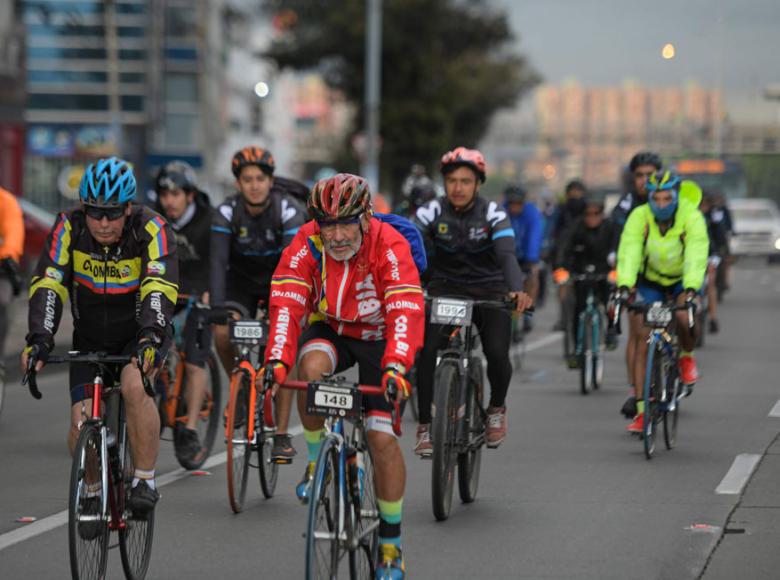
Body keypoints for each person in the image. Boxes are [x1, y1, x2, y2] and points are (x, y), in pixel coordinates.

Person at [262, 173, 424, 578]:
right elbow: (287, 303)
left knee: (381, 437)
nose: (335, 235)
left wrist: (396, 367)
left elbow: (405, 310)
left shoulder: (389, 245)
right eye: (326, 224)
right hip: (332, 328)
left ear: (366, 218)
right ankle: (319, 462)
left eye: (344, 223)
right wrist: (276, 362)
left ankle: (390, 543)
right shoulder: (306, 243)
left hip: (381, 340)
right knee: (309, 369)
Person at [21, 157, 178, 515]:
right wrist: (40, 337)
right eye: (95, 213)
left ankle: (144, 479)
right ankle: (92, 489)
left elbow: (158, 286)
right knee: (80, 421)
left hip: (140, 334)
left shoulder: (151, 227)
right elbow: (49, 281)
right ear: (83, 209)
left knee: (135, 386)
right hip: (90, 339)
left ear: (128, 208)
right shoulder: (68, 227)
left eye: (112, 214)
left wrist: (151, 337)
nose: (103, 224)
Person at [413, 147, 533, 456]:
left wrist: (516, 289)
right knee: (425, 352)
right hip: (444, 291)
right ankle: (425, 426)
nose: (458, 187)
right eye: (452, 180)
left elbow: (507, 255)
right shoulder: (430, 212)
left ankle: (495, 408)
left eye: (466, 181)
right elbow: (409, 247)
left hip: (488, 292)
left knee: (495, 351)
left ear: (478, 184)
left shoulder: (494, 213)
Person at [210, 146, 306, 463]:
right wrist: (217, 305)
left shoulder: (289, 211)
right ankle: (240, 388)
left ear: (270, 181)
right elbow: (218, 263)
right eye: (247, 179)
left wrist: (285, 311)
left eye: (260, 178)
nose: (254, 185)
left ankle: (280, 434)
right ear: (238, 183)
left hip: (279, 279)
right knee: (222, 332)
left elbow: (292, 265)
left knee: (282, 348)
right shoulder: (226, 212)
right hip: (240, 282)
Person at [616, 170, 708, 433]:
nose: (662, 204)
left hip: (681, 279)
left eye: (668, 198)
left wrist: (690, 289)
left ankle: (687, 357)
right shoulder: (639, 216)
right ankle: (643, 412)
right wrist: (624, 285)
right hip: (651, 281)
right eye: (656, 198)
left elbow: (696, 254)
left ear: (676, 196)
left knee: (682, 316)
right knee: (642, 338)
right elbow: (630, 251)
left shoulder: (692, 217)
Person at [154, 161, 214, 466]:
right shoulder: (153, 218)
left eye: (175, 194)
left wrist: (211, 292)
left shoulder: (209, 220)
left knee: (194, 357)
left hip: (198, 295)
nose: (169, 201)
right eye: (164, 194)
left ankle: (190, 428)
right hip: (164, 290)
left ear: (189, 195)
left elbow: (219, 261)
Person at [610, 152, 663, 419]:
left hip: (669, 272)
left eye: (649, 175)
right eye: (639, 176)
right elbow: (614, 235)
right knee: (637, 332)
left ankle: (675, 361)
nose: (644, 181)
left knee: (677, 319)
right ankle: (636, 392)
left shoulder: (672, 201)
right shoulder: (626, 204)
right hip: (636, 273)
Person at [552, 196, 617, 368]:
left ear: (602, 214)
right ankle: (578, 349)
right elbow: (563, 248)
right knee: (577, 310)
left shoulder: (610, 227)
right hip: (580, 272)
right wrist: (561, 268)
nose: (592, 217)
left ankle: (611, 329)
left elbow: (618, 249)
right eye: (588, 214)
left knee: (609, 298)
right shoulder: (576, 227)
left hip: (604, 271)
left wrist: (616, 268)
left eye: (596, 213)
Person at [503, 184, 544, 333]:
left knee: (533, 277)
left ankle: (527, 312)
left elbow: (534, 236)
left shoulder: (532, 213)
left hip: (525, 255)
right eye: (512, 203)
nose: (515, 207)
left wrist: (531, 258)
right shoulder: (501, 211)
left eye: (518, 203)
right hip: (506, 254)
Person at [551, 180, 588, 331]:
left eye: (578, 192)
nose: (575, 196)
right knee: (563, 284)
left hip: (585, 252)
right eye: (572, 193)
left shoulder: (588, 210)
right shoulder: (561, 211)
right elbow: (554, 231)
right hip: (565, 252)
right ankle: (564, 316)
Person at [0, 186, 24, 395]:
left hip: (1, 268)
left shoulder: (5, 201)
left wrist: (9, 253)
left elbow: (13, 229)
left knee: (2, 302)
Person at [699, 192, 729, 334]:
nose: (703, 207)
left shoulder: (714, 216)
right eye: (701, 204)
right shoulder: (691, 215)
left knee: (710, 283)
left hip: (710, 253)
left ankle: (712, 317)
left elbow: (721, 235)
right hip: (694, 254)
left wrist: (721, 251)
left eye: (706, 204)